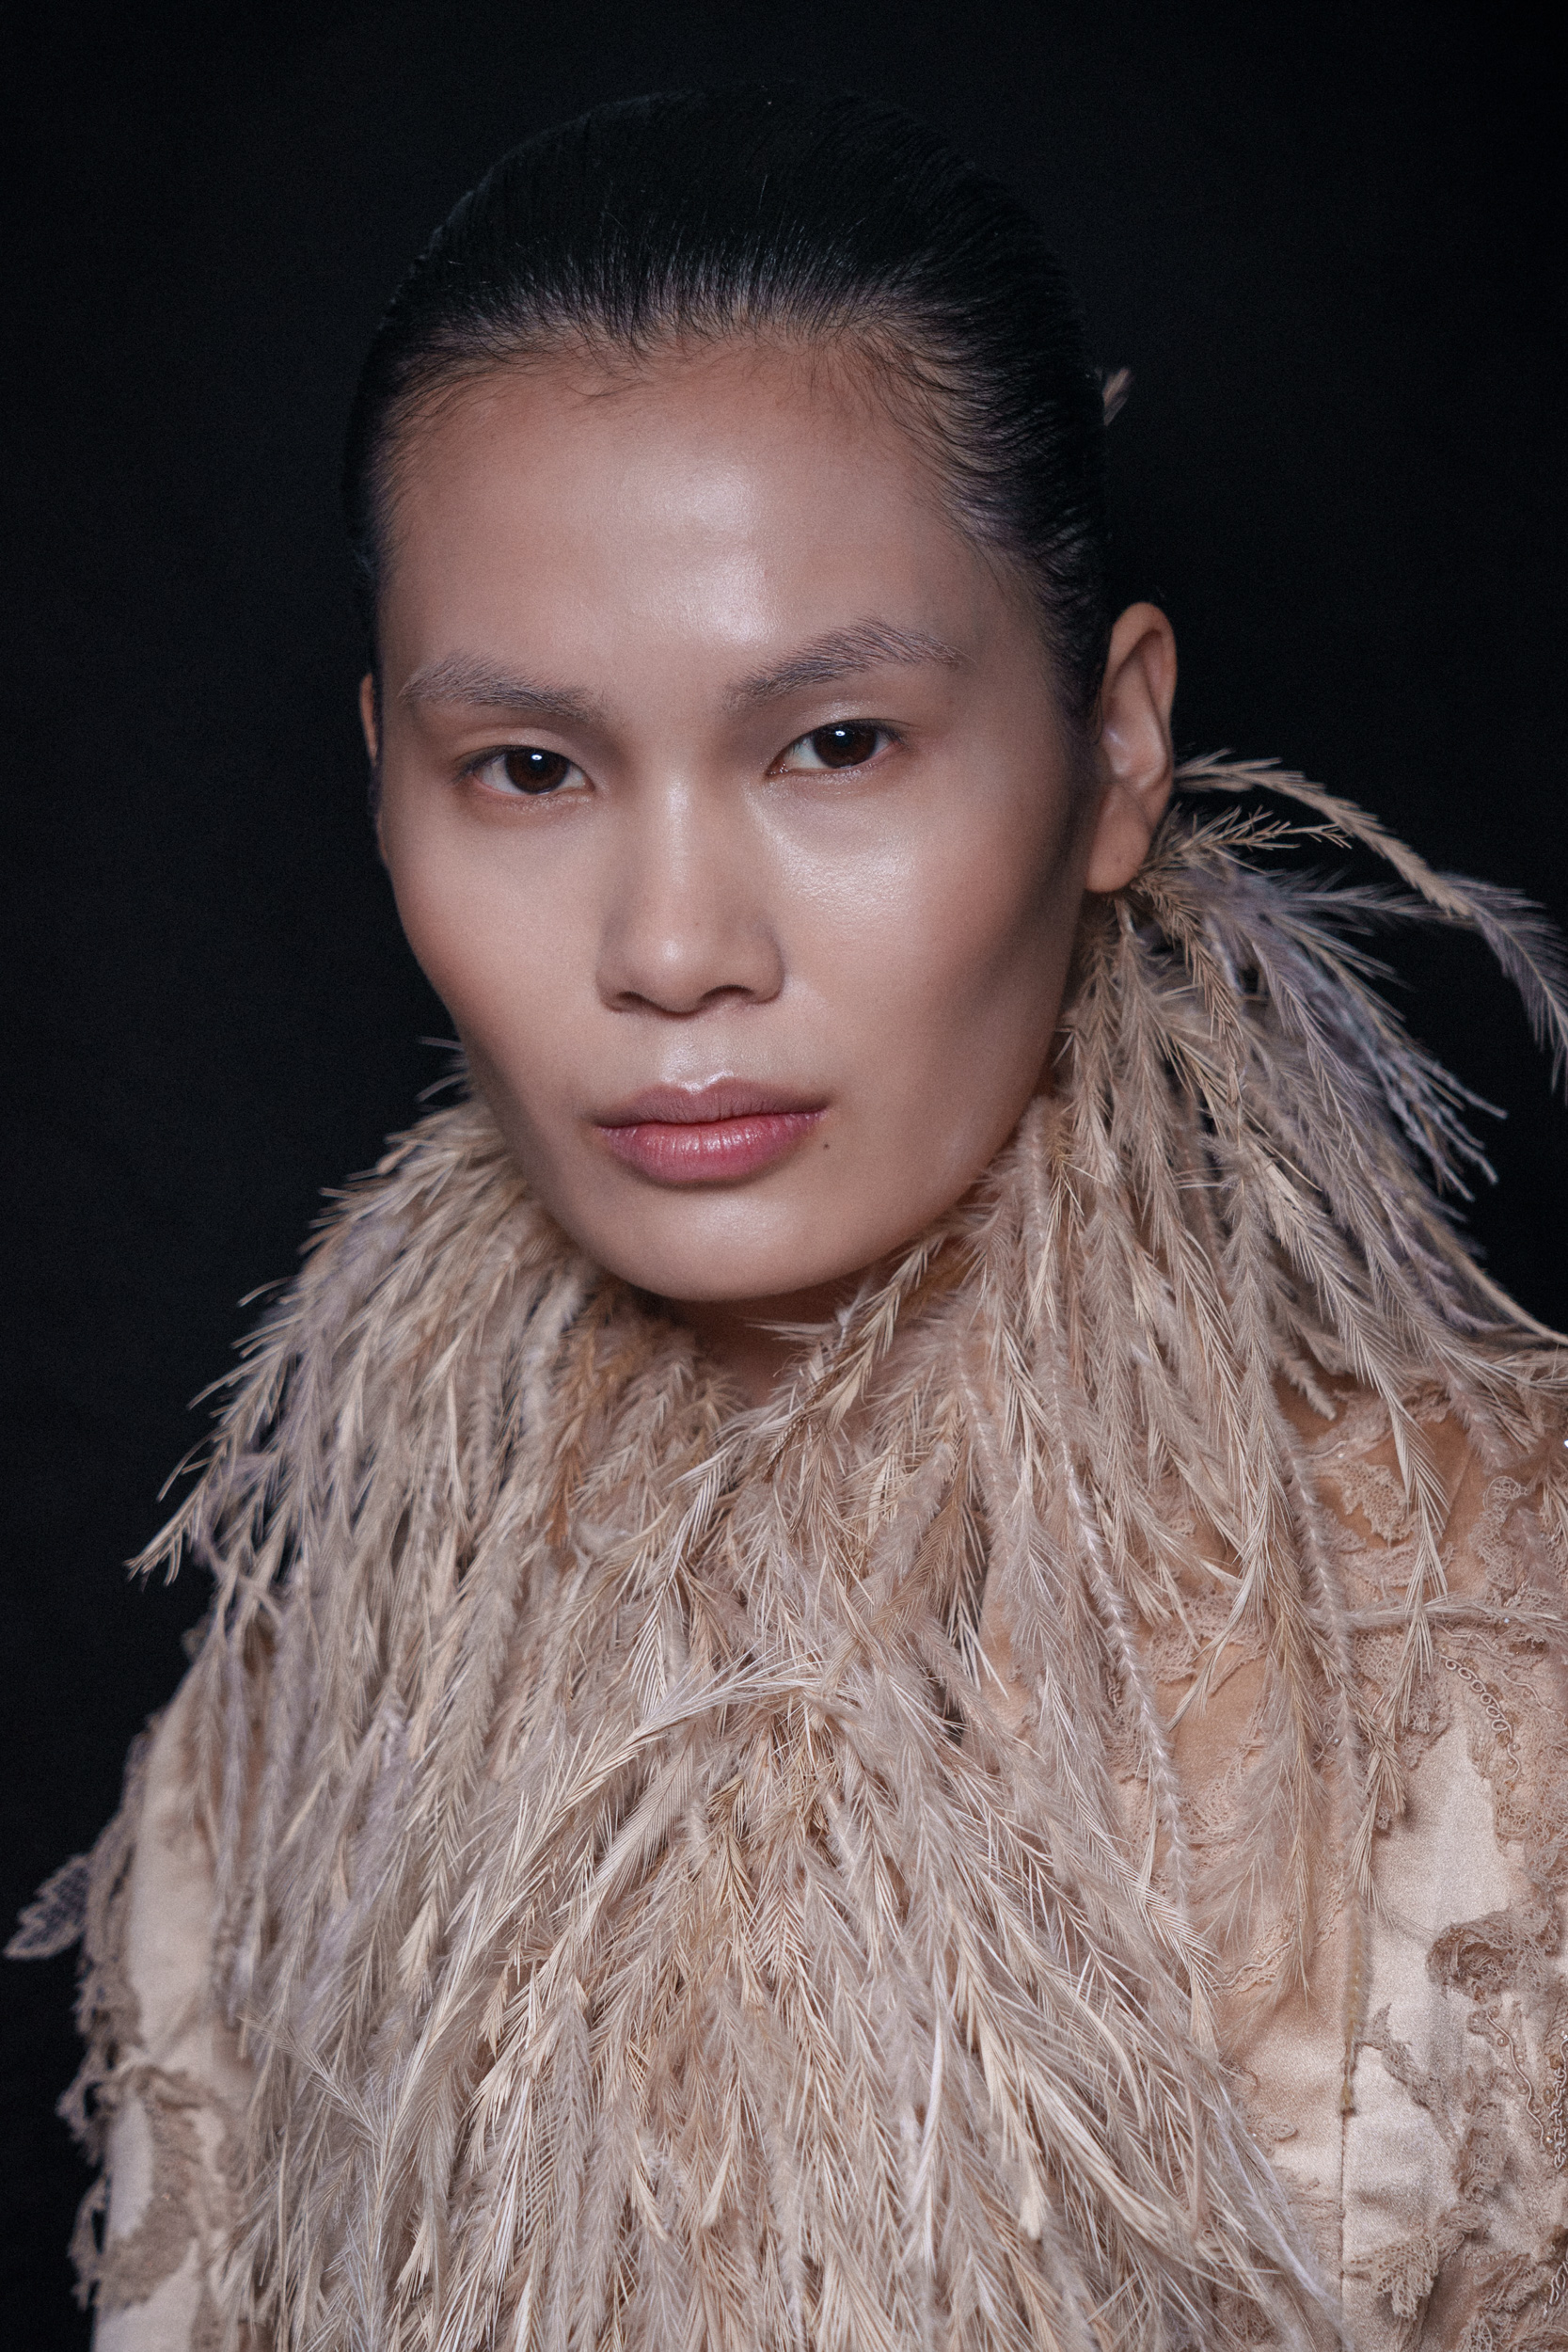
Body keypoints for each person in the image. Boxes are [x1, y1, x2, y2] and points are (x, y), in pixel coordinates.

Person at [15, 84, 1568, 2352]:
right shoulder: (270, 1786)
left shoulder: (1503, 1640)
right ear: (383, 789)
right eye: (527, 768)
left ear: (1117, 749)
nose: (673, 948)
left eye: (835, 741)